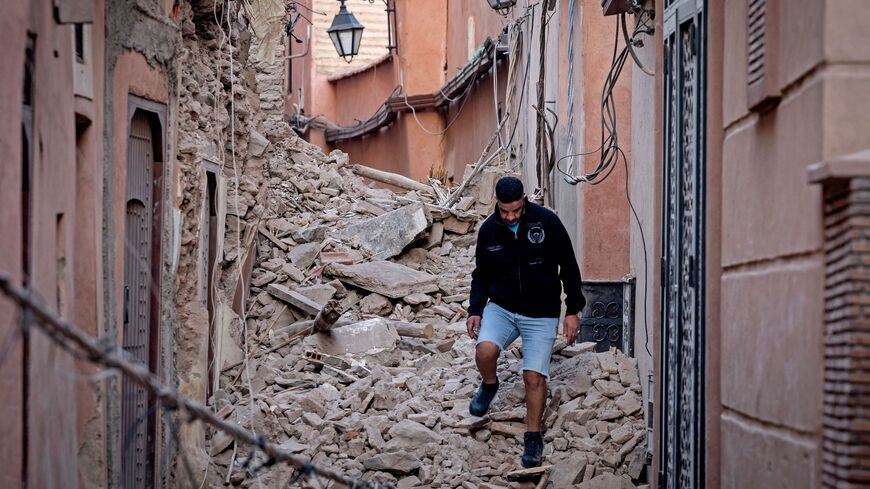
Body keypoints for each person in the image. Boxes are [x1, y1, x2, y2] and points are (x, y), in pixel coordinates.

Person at [466, 176, 585, 468]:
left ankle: (533, 437)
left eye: (516, 210)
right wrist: (475, 310)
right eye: (505, 211)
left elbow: (568, 265)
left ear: (524, 200)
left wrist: (572, 310)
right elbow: (481, 275)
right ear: (497, 203)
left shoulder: (547, 223)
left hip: (541, 312)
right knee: (484, 351)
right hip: (502, 307)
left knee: (533, 377)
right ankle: (490, 384)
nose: (510, 216)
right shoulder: (489, 231)